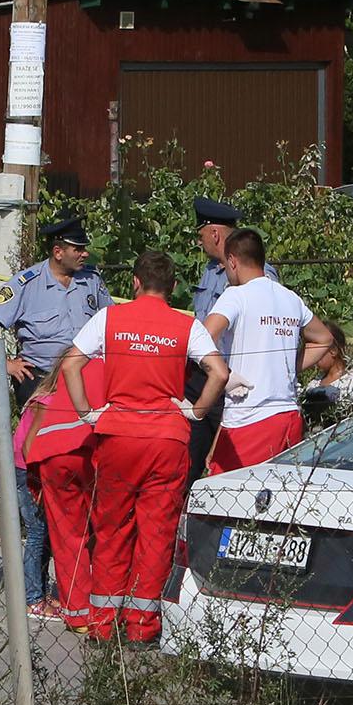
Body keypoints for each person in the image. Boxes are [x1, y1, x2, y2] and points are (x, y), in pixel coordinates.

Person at [60, 250, 228, 643]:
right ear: (172, 287)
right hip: (167, 440)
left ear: (134, 282)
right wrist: (197, 412)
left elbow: (70, 364)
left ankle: (103, 623)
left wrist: (89, 414)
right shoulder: (186, 325)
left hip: (117, 434)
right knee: (156, 533)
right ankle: (142, 626)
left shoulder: (109, 318)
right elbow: (219, 372)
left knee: (112, 526)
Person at [0, 217, 111, 619]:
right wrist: (4, 360)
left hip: (84, 380)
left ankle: (64, 582)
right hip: (42, 386)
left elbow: (108, 323)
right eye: (77, 248)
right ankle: (37, 590)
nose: (84, 254)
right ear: (58, 251)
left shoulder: (92, 282)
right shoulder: (28, 283)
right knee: (42, 480)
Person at [202, 229, 340, 474]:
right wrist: (285, 364)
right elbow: (323, 338)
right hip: (287, 417)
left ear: (232, 261)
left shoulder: (236, 295)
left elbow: (204, 337)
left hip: (249, 419)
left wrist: (222, 371)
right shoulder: (290, 297)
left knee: (224, 498)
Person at [17, 346, 103, 635]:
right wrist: (35, 480)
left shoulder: (58, 397)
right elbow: (29, 443)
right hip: (44, 467)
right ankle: (36, 597)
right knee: (43, 535)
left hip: (50, 465)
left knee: (67, 537)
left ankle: (74, 607)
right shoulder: (48, 400)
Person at [188, 196, 275, 472]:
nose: (199, 242)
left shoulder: (259, 275)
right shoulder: (211, 271)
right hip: (203, 377)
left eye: (201, 234)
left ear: (214, 233)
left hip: (234, 384)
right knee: (188, 460)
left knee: (227, 464)